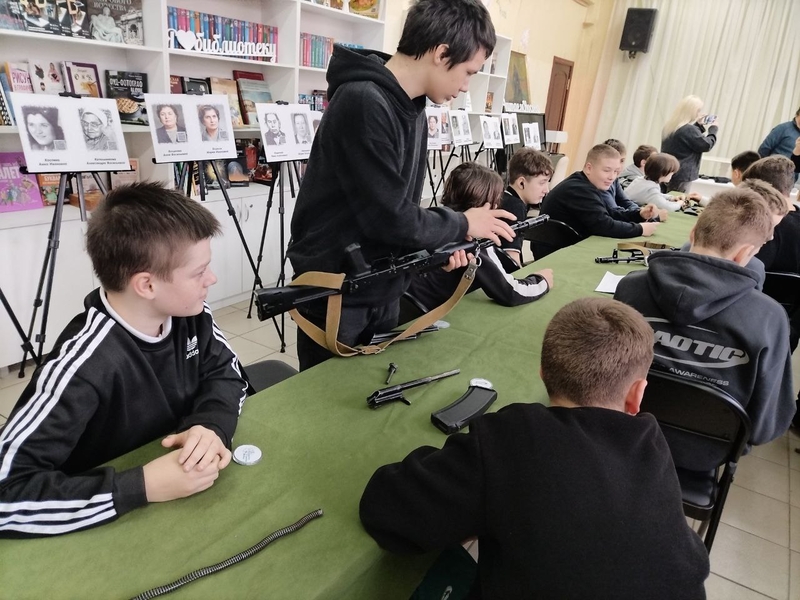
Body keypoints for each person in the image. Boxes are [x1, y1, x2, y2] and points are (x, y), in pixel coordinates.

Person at [359, 297, 710, 599]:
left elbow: (387, 507)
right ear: (637, 394)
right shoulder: (651, 446)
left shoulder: (510, 438)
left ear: (542, 373)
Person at [0, 182, 249, 538]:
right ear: (146, 285)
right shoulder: (82, 365)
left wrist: (211, 425)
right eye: (199, 272)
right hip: (101, 527)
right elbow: (7, 495)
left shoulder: (191, 314)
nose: (212, 278)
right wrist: (142, 486)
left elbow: (227, 373)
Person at [287, 0, 515, 371]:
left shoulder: (413, 106)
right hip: (339, 292)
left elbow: (391, 213)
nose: (466, 86)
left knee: (373, 391)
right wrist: (461, 223)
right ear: (442, 54)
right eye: (468, 72)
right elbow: (388, 217)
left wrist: (440, 246)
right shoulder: (364, 100)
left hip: (380, 287)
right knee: (324, 400)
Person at [614, 188, 795, 448]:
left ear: (692, 233)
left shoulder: (630, 287)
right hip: (709, 448)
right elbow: (766, 426)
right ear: (744, 253)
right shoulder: (770, 318)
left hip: (624, 429)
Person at [408, 163, 552, 308]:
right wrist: (542, 281)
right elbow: (511, 293)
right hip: (425, 313)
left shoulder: (433, 223)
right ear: (489, 204)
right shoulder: (475, 241)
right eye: (496, 200)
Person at [540, 144, 660, 240]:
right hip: (555, 251)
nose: (612, 177)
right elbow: (605, 226)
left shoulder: (589, 183)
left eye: (616, 171)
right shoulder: (579, 189)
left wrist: (639, 214)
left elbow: (609, 213)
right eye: (607, 170)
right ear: (589, 168)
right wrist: (640, 229)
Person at [499, 147, 553, 266]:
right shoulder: (515, 207)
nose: (546, 190)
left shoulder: (505, 198)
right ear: (521, 183)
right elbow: (511, 260)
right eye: (542, 183)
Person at [660, 95, 719, 192]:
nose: (700, 113)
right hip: (682, 174)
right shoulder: (688, 129)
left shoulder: (670, 127)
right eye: (698, 110)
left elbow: (689, 140)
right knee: (678, 199)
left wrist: (698, 125)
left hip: (667, 171)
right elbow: (706, 145)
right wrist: (713, 130)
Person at [626, 153, 699, 212]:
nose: (672, 175)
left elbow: (656, 195)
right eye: (672, 173)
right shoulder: (650, 190)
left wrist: (671, 198)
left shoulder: (641, 180)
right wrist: (679, 204)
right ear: (663, 173)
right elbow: (667, 207)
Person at [602, 138, 657, 216]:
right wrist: (641, 215)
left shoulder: (614, 180)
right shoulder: (602, 182)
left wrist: (640, 211)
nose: (618, 166)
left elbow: (625, 202)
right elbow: (614, 212)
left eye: (622, 161)